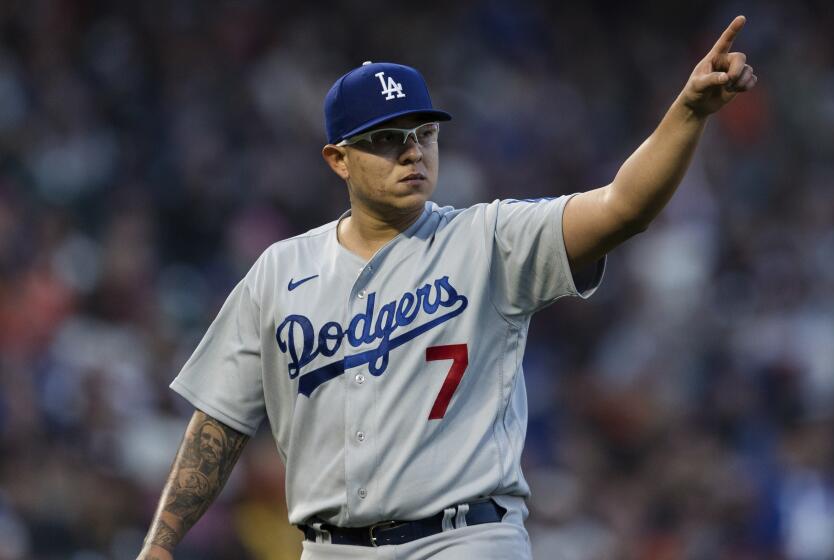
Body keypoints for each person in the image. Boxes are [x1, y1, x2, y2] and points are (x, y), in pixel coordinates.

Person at [137, 15, 756, 560]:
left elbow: (623, 208)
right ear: (338, 159)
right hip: (330, 549)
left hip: (466, 539)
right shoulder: (279, 271)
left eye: (423, 133)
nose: (412, 153)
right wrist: (161, 542)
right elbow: (220, 420)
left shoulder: (489, 239)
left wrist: (688, 113)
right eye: (386, 139)